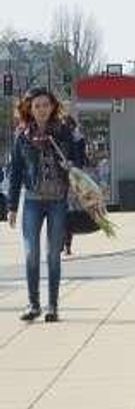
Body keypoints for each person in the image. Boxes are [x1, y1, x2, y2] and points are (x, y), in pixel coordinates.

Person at [7, 87, 82, 322]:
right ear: (29, 108)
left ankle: (52, 306)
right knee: (31, 253)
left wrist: (72, 164)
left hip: (57, 200)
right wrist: (12, 206)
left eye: (45, 105)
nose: (41, 110)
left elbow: (79, 157)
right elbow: (16, 171)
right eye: (37, 106)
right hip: (32, 200)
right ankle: (33, 304)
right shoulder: (22, 136)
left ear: (52, 107)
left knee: (53, 255)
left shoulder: (63, 132)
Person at [61, 115, 89, 256]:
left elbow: (80, 159)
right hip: (67, 178)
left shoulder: (76, 139)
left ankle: (65, 244)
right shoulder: (76, 139)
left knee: (67, 212)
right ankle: (65, 244)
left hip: (71, 178)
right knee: (65, 211)